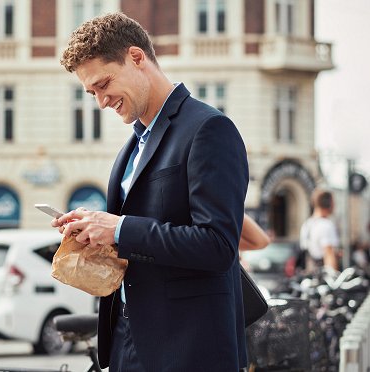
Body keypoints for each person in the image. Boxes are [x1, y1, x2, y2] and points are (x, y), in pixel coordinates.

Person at [53, 12, 249, 371]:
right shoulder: (132, 146)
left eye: (103, 84)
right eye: (91, 92)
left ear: (136, 57)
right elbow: (141, 237)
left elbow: (219, 246)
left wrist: (120, 228)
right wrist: (96, 230)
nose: (100, 102)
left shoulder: (209, 129)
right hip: (129, 342)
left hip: (189, 349)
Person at [299, 189, 339, 272]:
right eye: (333, 202)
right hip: (322, 275)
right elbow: (329, 255)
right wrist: (335, 279)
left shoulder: (307, 224)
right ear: (328, 203)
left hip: (310, 274)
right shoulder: (326, 225)